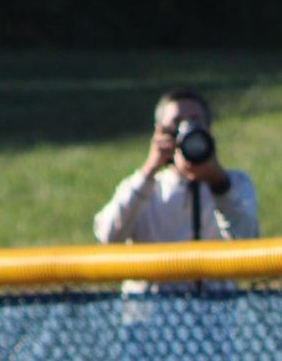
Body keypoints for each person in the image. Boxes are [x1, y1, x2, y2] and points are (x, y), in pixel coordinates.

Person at [93, 86, 259, 246]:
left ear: (209, 130)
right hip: (157, 275)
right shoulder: (145, 190)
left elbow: (247, 240)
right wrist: (149, 170)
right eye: (177, 123)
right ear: (160, 132)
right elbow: (108, 237)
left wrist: (219, 185)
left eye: (196, 121)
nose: (187, 131)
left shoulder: (235, 183)